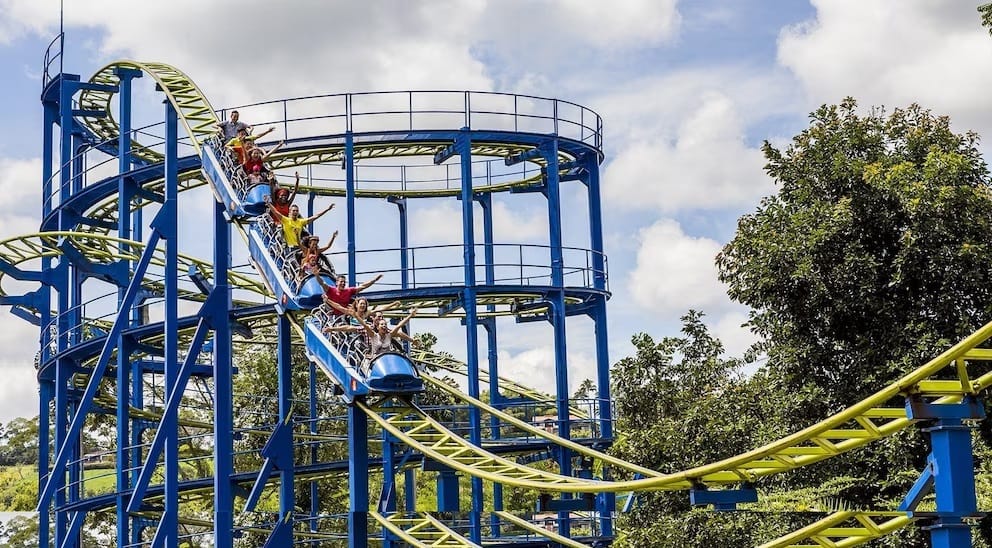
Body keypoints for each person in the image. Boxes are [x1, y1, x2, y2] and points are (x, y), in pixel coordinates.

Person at [266, 201, 335, 252]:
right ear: (290, 212)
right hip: (289, 247)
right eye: (294, 211)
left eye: (297, 211)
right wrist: (269, 204)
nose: (295, 212)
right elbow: (275, 212)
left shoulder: (301, 221)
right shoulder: (286, 220)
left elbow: (315, 216)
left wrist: (327, 209)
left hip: (299, 247)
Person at [317, 273, 383, 315]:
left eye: (344, 282)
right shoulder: (331, 290)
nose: (343, 283)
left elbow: (363, 286)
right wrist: (316, 275)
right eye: (341, 282)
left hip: (345, 314)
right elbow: (322, 283)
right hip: (332, 314)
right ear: (337, 282)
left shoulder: (348, 291)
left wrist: (374, 280)